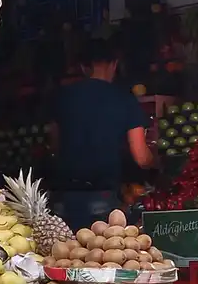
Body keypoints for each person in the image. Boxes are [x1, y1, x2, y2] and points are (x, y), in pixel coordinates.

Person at [49, 40, 156, 231]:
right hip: (104, 200)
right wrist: (156, 161)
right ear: (114, 64)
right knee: (101, 256)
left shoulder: (63, 98)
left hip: (64, 199)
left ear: (83, 67)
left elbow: (55, 146)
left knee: (67, 257)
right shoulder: (123, 99)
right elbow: (140, 156)